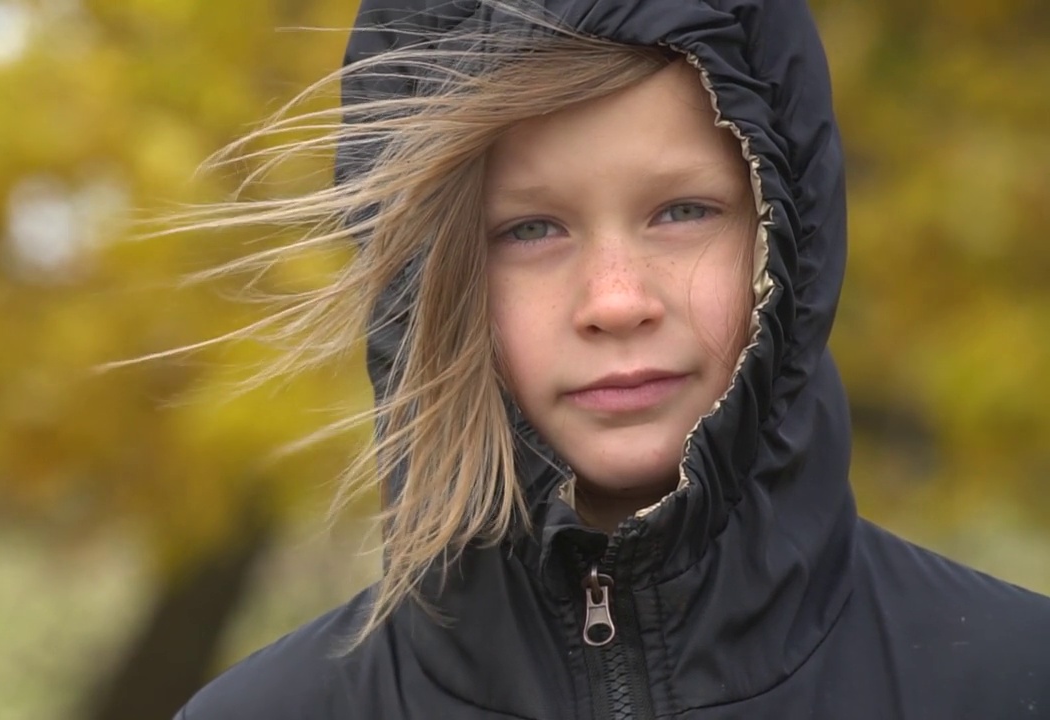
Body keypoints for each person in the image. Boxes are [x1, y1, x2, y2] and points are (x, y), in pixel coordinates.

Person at [173, 0, 1050, 717]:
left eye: (683, 212)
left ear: (787, 235)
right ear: (425, 286)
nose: (618, 299)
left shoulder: (1013, 680)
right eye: (530, 230)